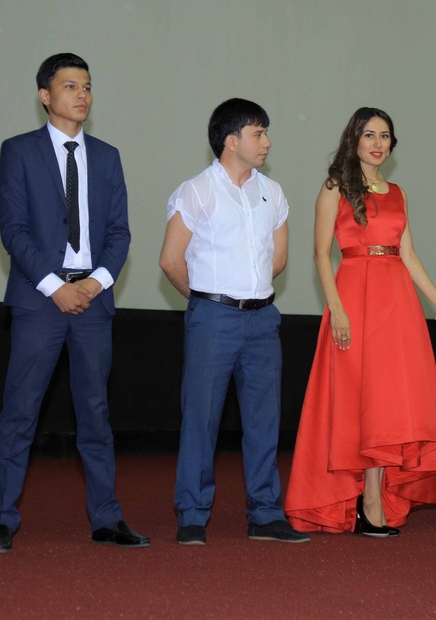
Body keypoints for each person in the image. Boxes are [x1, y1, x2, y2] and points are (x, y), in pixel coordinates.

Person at [0, 53, 149, 553]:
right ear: (45, 95)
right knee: (20, 411)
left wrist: (94, 284)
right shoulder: (19, 151)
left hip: (93, 301)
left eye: (88, 86)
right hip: (40, 300)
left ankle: (106, 518)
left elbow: (119, 233)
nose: (82, 95)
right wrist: (56, 286)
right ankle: (1, 520)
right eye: (71, 86)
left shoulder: (107, 156)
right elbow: (14, 230)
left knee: (95, 412)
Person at [284, 108, 436, 537]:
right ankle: (363, 502)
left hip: (396, 302)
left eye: (385, 136)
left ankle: (373, 500)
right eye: (369, 134)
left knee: (388, 403)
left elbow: (408, 255)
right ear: (354, 139)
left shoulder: (398, 192)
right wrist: (337, 308)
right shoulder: (335, 186)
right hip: (353, 296)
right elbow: (320, 253)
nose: (378, 143)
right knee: (357, 400)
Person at [160, 98, 308, 545]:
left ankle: (265, 513)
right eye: (258, 133)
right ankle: (192, 514)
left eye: (266, 132)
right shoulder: (197, 190)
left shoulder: (272, 192)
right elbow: (170, 260)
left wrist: (247, 291)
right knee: (201, 418)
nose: (267, 141)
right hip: (213, 319)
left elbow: (277, 259)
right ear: (231, 140)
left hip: (263, 320)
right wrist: (207, 300)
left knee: (264, 419)